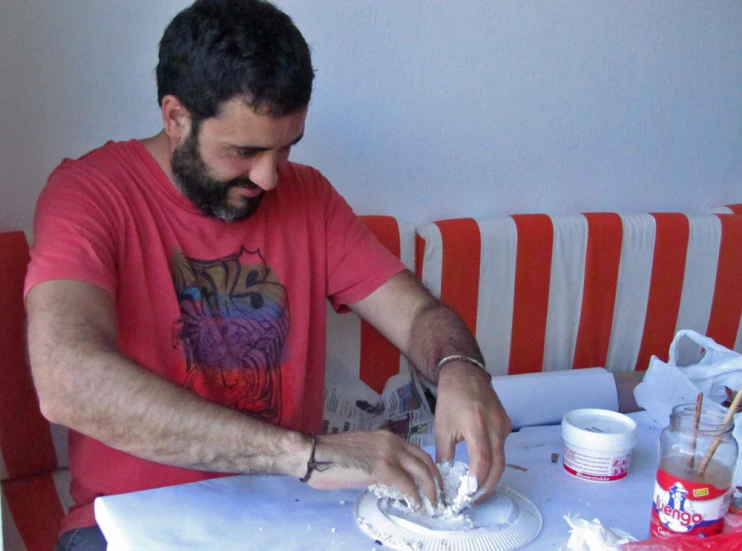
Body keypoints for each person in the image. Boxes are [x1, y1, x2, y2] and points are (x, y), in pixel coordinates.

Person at [24, 1, 511, 549]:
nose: (269, 177)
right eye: (244, 151)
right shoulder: (89, 193)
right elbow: (66, 379)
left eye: (285, 149)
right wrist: (307, 454)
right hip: (126, 522)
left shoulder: (310, 196)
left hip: (290, 510)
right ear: (175, 117)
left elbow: (417, 312)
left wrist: (460, 367)